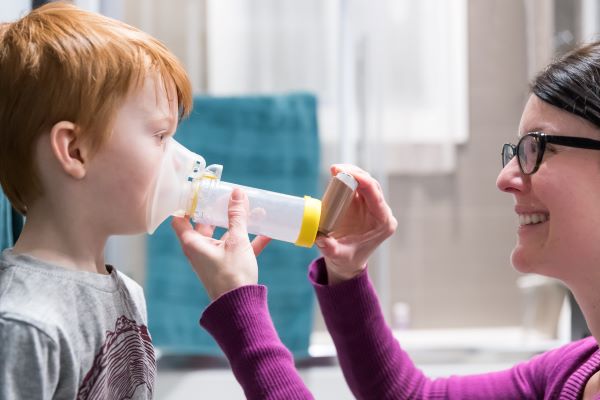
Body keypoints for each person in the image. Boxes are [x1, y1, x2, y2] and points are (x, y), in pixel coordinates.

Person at [172, 41, 600, 399]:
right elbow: (409, 396)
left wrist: (240, 308)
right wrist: (347, 271)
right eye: (514, 153)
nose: (505, 178)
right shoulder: (575, 369)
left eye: (536, 149)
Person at [0, 3, 191, 398]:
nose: (179, 158)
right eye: (159, 135)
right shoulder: (23, 325)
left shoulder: (126, 293)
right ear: (75, 151)